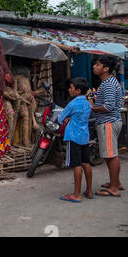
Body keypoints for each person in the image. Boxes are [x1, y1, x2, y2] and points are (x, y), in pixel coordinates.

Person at [90, 55, 124, 197]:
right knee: (109, 154)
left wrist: (92, 107)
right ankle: (115, 182)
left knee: (111, 155)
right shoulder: (108, 82)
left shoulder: (109, 83)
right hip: (108, 121)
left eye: (97, 65)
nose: (94, 67)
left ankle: (114, 188)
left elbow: (108, 106)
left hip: (108, 122)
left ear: (106, 69)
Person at [58, 78, 93, 203]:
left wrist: (67, 118)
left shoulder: (72, 104)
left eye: (71, 88)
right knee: (86, 163)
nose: (69, 89)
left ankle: (77, 194)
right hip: (84, 136)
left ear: (78, 91)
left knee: (77, 165)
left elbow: (60, 118)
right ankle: (89, 190)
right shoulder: (87, 103)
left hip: (73, 136)